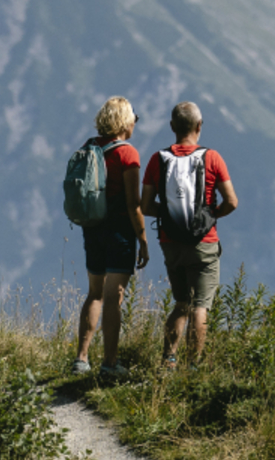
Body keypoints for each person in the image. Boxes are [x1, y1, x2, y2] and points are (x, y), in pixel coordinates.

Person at [142, 100, 237, 368]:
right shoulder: (212, 158)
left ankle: (169, 359)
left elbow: (146, 206)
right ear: (199, 126)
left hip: (170, 243)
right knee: (200, 305)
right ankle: (194, 365)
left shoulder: (157, 160)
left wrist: (170, 212)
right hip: (203, 242)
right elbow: (231, 201)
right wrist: (208, 216)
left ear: (172, 126)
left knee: (181, 302)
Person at [74, 95, 148, 378]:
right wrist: (142, 239)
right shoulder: (127, 153)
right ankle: (110, 363)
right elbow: (134, 204)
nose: (135, 123)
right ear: (125, 121)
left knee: (94, 294)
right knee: (113, 298)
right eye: (134, 118)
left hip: (92, 228)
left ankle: (81, 359)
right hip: (119, 233)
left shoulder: (89, 147)